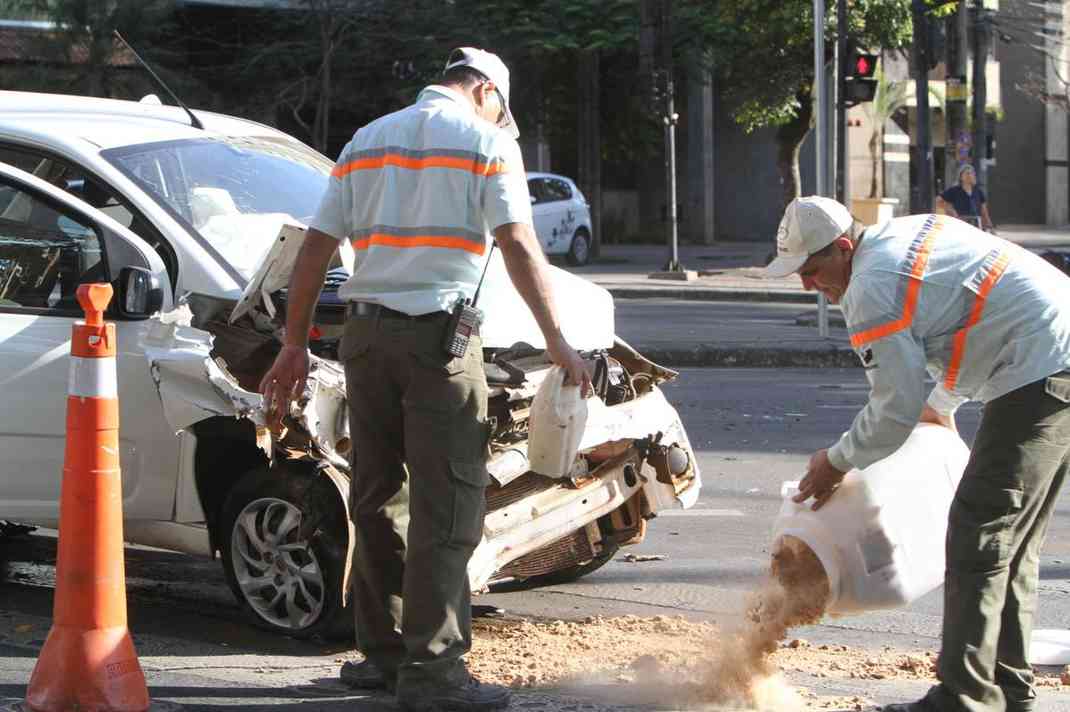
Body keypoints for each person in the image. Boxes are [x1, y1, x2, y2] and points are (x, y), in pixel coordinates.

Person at [259, 47, 592, 712]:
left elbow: (316, 245)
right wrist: (559, 341)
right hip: (437, 343)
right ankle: (435, 671)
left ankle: (381, 656)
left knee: (380, 494)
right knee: (448, 503)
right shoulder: (485, 142)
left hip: (365, 339)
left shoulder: (368, 139)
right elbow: (520, 244)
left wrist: (293, 343)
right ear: (489, 93)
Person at [764, 196, 1070, 712]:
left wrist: (836, 460)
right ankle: (1007, 691)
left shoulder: (870, 287)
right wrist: (942, 402)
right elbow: (965, 314)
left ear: (843, 248)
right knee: (1007, 545)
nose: (807, 285)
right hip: (1051, 350)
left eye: (813, 270)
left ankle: (964, 699)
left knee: (980, 532)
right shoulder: (902, 235)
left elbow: (893, 407)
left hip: (1038, 365)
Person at [938, 164, 995, 232]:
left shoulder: (978, 191)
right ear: (961, 176)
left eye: (972, 173)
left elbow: (984, 211)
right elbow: (938, 200)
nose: (970, 175)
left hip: (976, 224)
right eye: (967, 173)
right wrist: (951, 211)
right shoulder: (954, 190)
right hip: (960, 224)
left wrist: (990, 226)